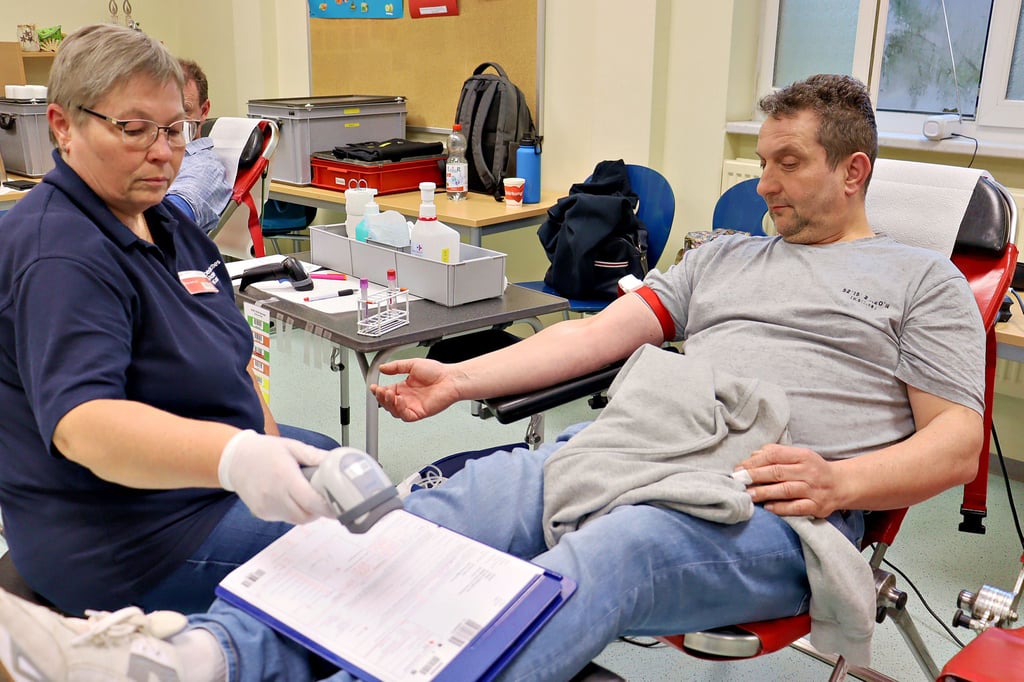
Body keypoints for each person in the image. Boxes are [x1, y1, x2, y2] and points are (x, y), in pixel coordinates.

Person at [0, 73, 986, 681]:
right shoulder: (725, 257)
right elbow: (595, 339)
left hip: (774, 498)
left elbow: (955, 441)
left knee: (619, 552)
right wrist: (462, 385)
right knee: (398, 527)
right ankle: (194, 659)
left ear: (854, 172)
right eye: (761, 161)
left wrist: (842, 483)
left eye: (788, 165)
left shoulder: (920, 281)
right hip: (633, 445)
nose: (762, 183)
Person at [0, 24, 341, 617]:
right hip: (124, 539)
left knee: (336, 469)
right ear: (62, 125)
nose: (162, 152)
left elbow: (230, 358)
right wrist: (235, 456)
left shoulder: (161, 220)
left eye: (177, 129)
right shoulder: (58, 253)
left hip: (194, 482)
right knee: (348, 554)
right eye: (133, 130)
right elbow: (85, 424)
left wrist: (266, 445)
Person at [165, 58, 233, 234]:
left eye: (183, 110)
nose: (171, 121)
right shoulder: (150, 153)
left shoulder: (204, 168)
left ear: (203, 111)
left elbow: (167, 222)